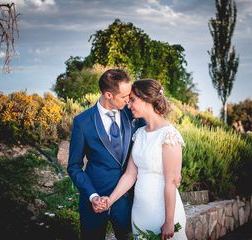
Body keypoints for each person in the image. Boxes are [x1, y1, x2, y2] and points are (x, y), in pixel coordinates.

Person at [102, 79, 187, 240]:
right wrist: (110, 200)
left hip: (163, 212)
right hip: (140, 212)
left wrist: (169, 221)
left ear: (147, 99)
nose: (129, 105)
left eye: (133, 99)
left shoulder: (169, 135)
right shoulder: (140, 133)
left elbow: (171, 182)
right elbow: (130, 175)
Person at [67, 69, 143, 240]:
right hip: (94, 202)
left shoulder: (133, 114)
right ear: (108, 94)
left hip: (127, 201)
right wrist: (92, 196)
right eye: (124, 97)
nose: (128, 100)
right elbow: (74, 167)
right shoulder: (82, 122)